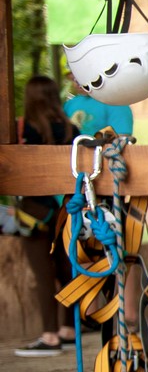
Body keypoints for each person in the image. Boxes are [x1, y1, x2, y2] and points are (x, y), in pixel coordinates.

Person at [15, 75, 81, 357]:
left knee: (43, 275)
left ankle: (49, 336)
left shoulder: (23, 128)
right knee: (67, 269)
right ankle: (68, 329)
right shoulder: (71, 129)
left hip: (34, 212)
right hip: (65, 210)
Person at [64, 72, 134, 136]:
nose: (77, 83)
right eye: (73, 79)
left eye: (80, 78)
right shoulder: (70, 103)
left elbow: (121, 136)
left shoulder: (115, 102)